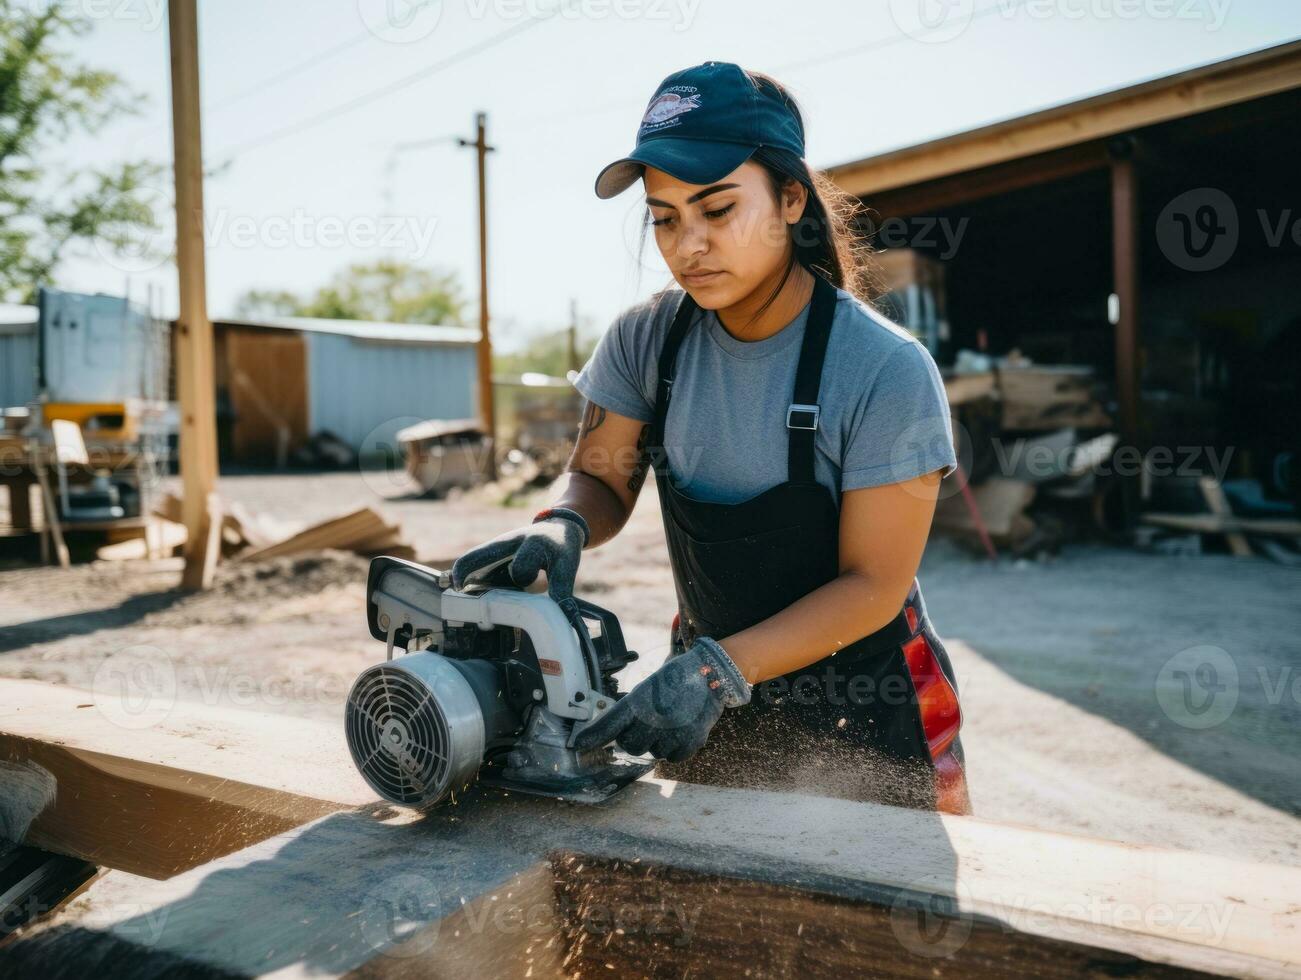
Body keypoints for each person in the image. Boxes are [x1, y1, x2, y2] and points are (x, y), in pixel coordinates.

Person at [451, 61, 970, 814]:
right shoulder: (645, 342)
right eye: (663, 218)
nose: (686, 244)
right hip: (700, 690)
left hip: (869, 697)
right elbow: (600, 476)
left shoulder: (884, 369)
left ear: (790, 199)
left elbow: (873, 586)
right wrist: (562, 521)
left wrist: (719, 670)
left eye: (716, 209)